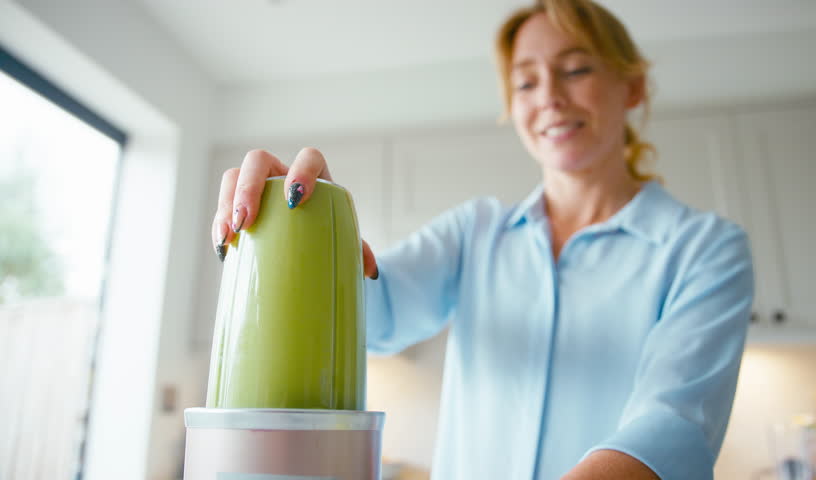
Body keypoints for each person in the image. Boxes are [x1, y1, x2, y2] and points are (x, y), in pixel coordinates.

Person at [210, 0, 754, 478]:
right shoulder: (474, 232)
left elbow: (673, 426)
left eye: (576, 69)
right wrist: (304, 236)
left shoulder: (705, 249)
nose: (549, 98)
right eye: (525, 82)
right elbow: (374, 316)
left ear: (632, 86)